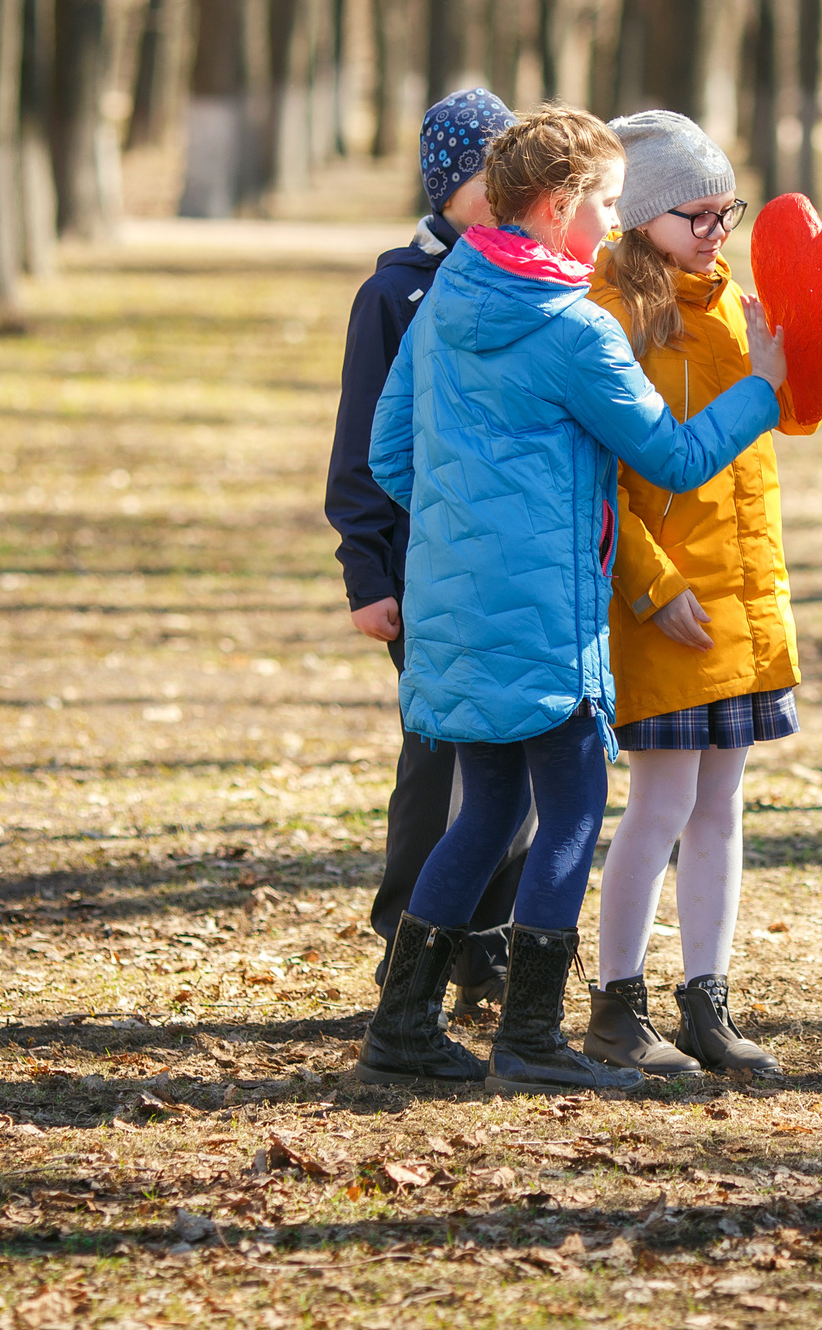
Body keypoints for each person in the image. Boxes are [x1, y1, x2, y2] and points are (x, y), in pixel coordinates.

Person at [359, 104, 789, 1093]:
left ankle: (403, 1025)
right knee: (569, 811)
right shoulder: (575, 330)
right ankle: (532, 1037)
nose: (613, 221)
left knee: (486, 810)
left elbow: (390, 454)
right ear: (557, 207)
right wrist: (762, 389)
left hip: (456, 605)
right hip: (546, 614)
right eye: (606, 202)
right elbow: (673, 456)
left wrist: (468, 533)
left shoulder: (450, 293)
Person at [580, 113, 791, 1078]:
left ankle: (708, 998)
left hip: (741, 591)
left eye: (725, 211)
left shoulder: (735, 303)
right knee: (660, 801)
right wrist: (652, 586)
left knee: (722, 800)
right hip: (664, 599)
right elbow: (603, 484)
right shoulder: (609, 315)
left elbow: (769, 429)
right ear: (642, 216)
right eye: (695, 215)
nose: (716, 231)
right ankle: (616, 1000)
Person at [324, 88, 531, 1014]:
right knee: (440, 760)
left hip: (512, 569)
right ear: (452, 184)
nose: (513, 192)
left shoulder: (534, 280)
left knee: (522, 761)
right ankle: (407, 940)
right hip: (424, 574)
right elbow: (361, 450)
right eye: (495, 176)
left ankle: (486, 939)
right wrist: (367, 573)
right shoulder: (395, 294)